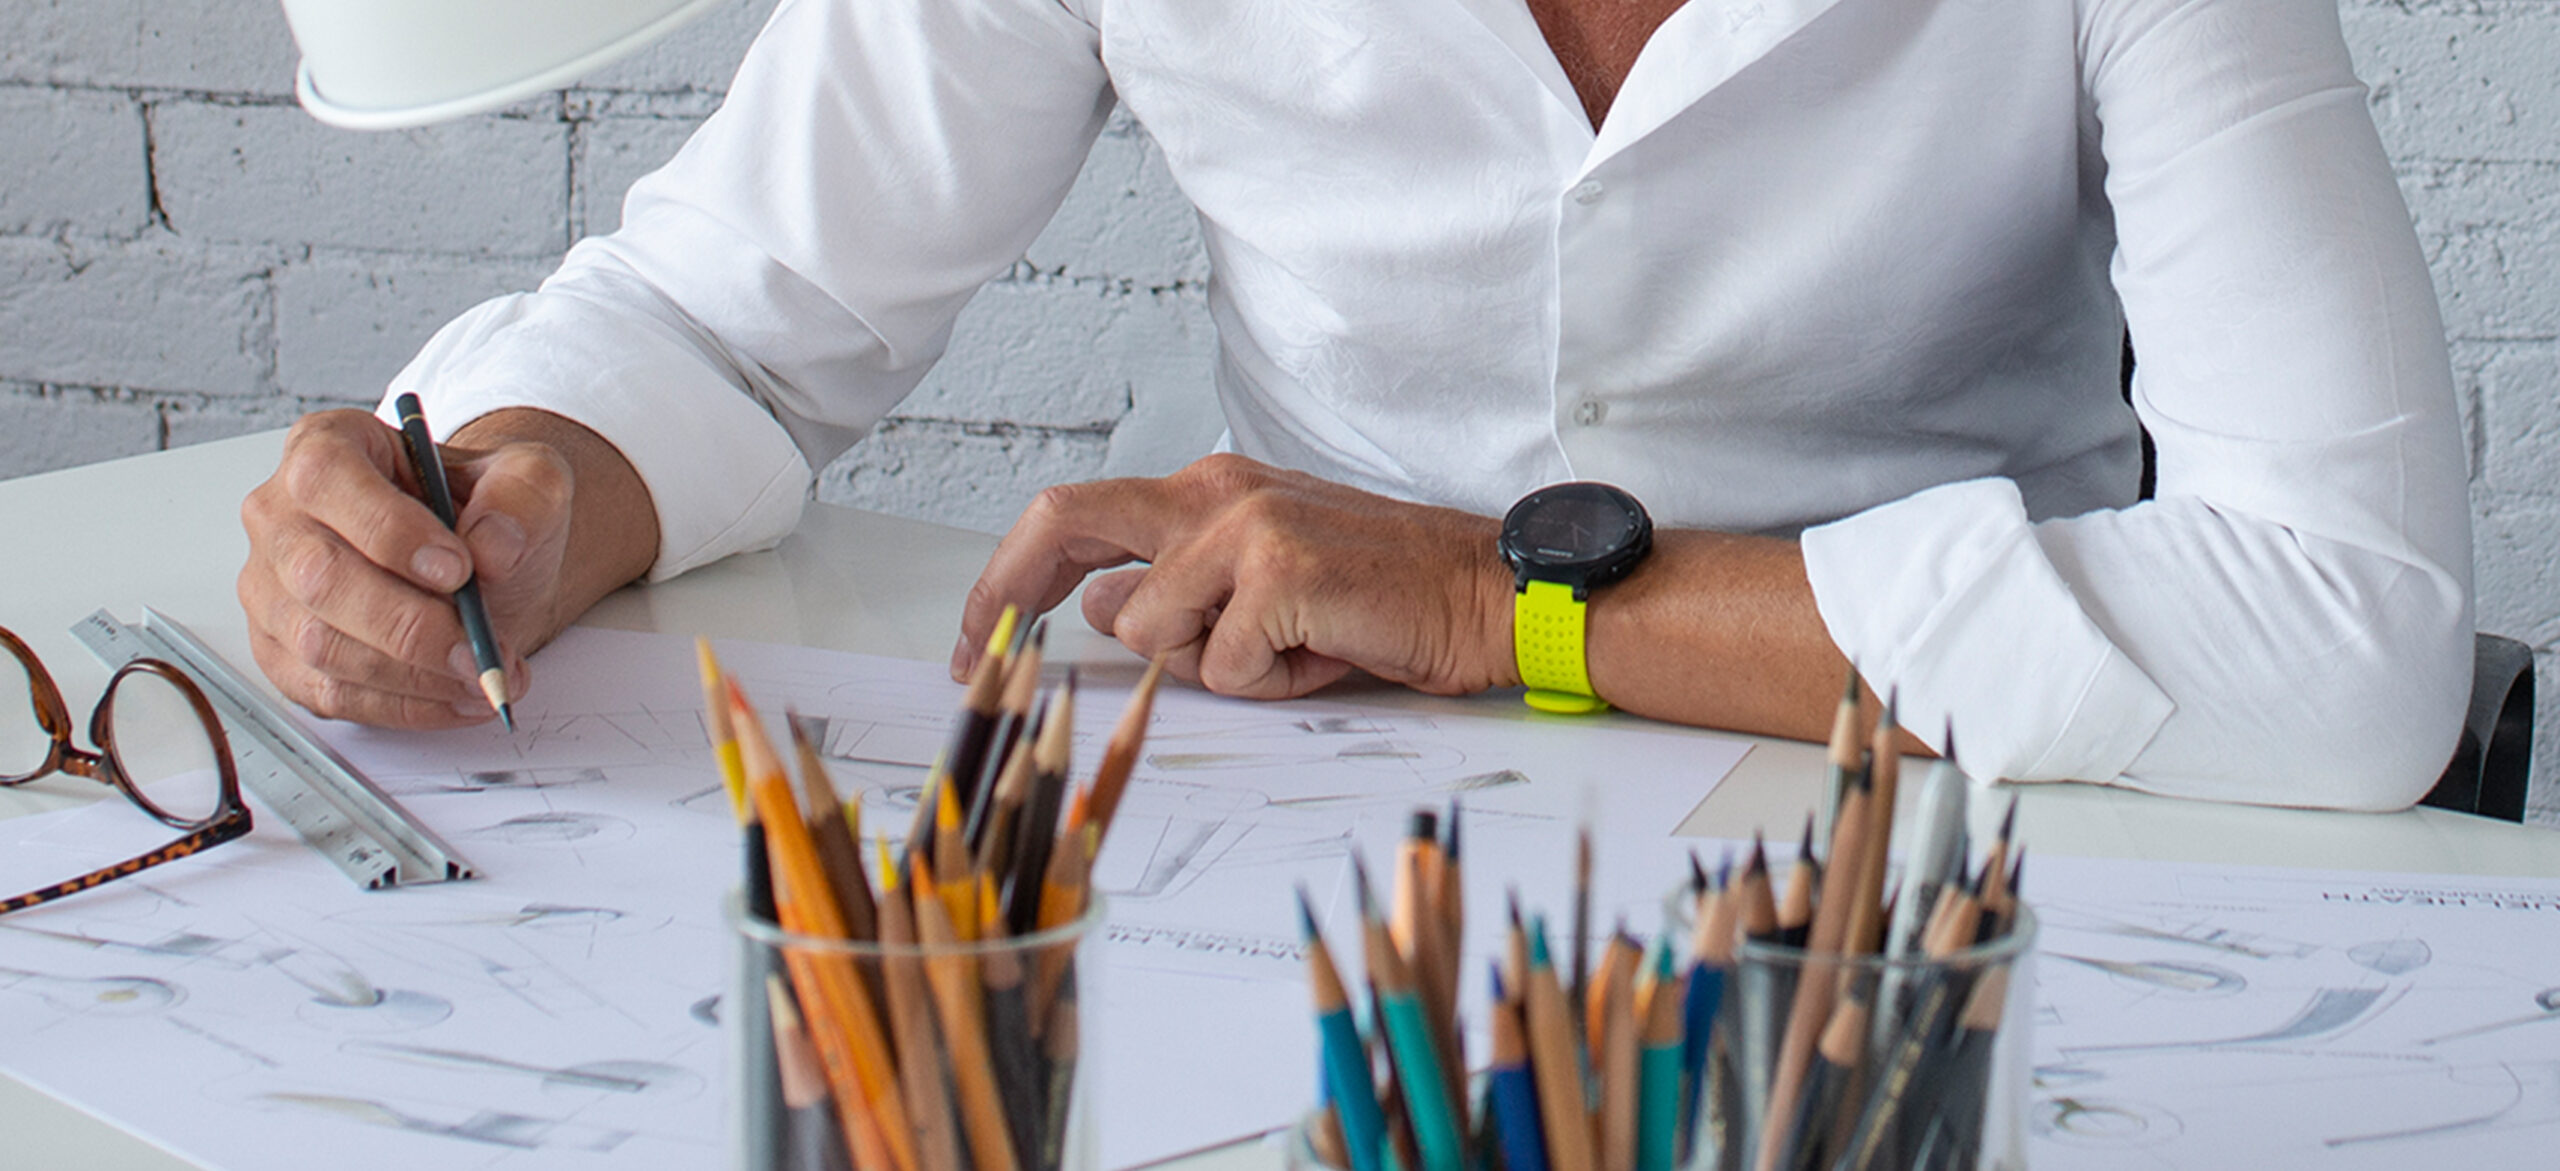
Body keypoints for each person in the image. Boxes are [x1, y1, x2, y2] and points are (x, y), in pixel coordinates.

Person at [237, 0, 2471, 810]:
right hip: (1327, 862)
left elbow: (2346, 627)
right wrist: (514, 498)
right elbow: (729, 308)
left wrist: (1506, 599)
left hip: (1985, 831)